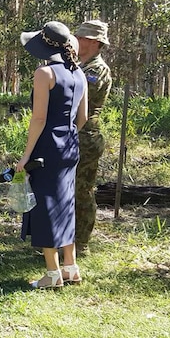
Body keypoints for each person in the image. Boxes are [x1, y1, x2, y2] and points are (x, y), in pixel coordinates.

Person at [17, 21, 88, 289]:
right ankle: (70, 267)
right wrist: (66, 137)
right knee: (65, 205)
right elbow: (82, 118)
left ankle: (52, 273)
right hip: (70, 146)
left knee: (46, 206)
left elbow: (38, 118)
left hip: (47, 147)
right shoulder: (79, 74)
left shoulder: (44, 73)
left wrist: (26, 156)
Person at [73, 20, 112, 256]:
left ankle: (81, 243)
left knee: (82, 190)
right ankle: (65, 240)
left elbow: (78, 99)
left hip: (86, 136)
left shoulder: (96, 70)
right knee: (68, 190)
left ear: (95, 42)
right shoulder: (80, 65)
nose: (78, 41)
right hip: (73, 134)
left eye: (83, 38)